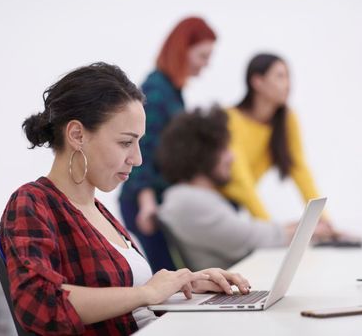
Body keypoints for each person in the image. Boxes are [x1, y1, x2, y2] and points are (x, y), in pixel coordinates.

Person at [0, 62, 250, 335]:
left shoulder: (98, 210)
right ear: (77, 135)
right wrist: (147, 293)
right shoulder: (33, 203)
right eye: (125, 143)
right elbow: (38, 303)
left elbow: (128, 303)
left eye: (139, 142)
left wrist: (182, 285)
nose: (138, 158)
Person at [119, 16, 217, 272]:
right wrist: (147, 203)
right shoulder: (156, 90)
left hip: (158, 201)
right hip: (144, 203)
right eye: (203, 56)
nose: (206, 65)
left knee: (175, 274)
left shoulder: (173, 91)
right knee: (167, 275)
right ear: (182, 50)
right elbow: (143, 149)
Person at [157, 107, 306, 271]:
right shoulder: (187, 200)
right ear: (203, 152)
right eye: (224, 149)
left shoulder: (194, 197)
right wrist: (306, 230)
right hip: (234, 287)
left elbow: (251, 234)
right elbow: (250, 239)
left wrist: (302, 227)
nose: (232, 157)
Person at [220, 53, 336, 236]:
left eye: (288, 76)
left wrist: (325, 221)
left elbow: (299, 169)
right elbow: (241, 180)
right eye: (280, 76)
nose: (288, 84)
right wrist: (272, 232)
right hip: (214, 204)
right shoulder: (231, 119)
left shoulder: (287, 120)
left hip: (235, 207)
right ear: (257, 81)